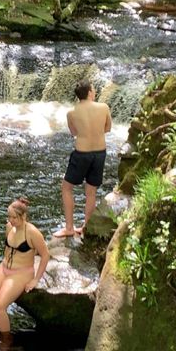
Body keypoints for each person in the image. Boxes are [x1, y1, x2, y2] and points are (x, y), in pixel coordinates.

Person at [0, 197, 49, 339]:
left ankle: (5, 341)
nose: (11, 220)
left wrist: (36, 279)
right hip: (4, 267)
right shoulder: (9, 227)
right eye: (9, 217)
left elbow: (45, 255)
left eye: (14, 217)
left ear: (24, 216)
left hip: (22, 273)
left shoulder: (32, 233)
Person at [54, 79, 112, 238]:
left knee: (67, 187)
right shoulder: (104, 107)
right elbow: (108, 128)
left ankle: (69, 228)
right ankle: (86, 226)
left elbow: (73, 133)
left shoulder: (71, 113)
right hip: (100, 152)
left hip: (82, 153)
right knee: (91, 190)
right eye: (93, 90)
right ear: (89, 93)